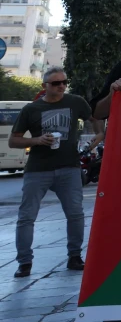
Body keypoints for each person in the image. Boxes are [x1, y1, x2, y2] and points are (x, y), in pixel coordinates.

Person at [11, 67, 90, 277]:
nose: (62, 86)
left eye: (65, 82)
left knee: (75, 214)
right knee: (26, 217)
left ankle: (75, 256)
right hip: (38, 169)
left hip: (69, 167)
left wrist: (99, 134)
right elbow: (13, 140)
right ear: (44, 86)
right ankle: (24, 262)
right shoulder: (31, 109)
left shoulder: (75, 102)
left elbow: (96, 116)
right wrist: (36, 140)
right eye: (56, 83)